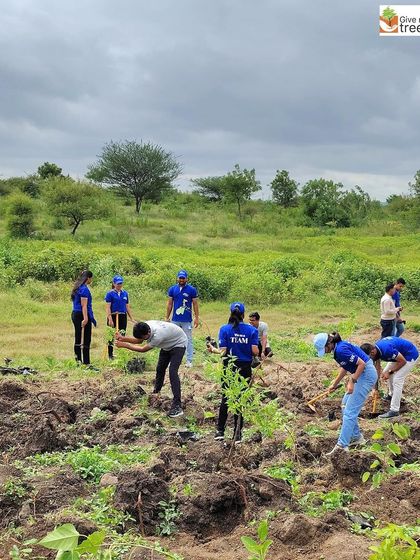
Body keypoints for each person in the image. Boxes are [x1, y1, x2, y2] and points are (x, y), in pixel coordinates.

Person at [313, 332, 377, 454]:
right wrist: (335, 383)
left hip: (366, 374)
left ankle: (342, 446)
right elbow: (346, 366)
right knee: (345, 405)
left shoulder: (341, 349)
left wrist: (352, 381)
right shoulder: (339, 349)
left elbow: (361, 364)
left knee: (350, 411)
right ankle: (356, 437)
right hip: (362, 373)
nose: (325, 351)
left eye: (324, 349)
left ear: (329, 343)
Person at [207, 302, 259, 444]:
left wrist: (212, 349)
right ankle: (237, 434)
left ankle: (220, 431)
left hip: (229, 367)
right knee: (241, 399)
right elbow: (255, 351)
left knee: (226, 398)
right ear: (243, 314)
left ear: (230, 313)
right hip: (245, 367)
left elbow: (223, 351)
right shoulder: (251, 330)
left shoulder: (224, 329)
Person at [115, 321, 187, 418]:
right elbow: (140, 340)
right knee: (160, 369)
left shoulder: (158, 335)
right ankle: (156, 393)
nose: (143, 339)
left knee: (172, 371)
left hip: (179, 343)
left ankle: (177, 405)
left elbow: (143, 349)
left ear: (149, 333)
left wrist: (125, 345)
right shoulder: (145, 326)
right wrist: (124, 338)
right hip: (167, 345)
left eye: (144, 337)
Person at [360, 337, 418, 419]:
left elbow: (403, 361)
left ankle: (394, 410)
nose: (369, 359)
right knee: (386, 372)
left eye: (369, 357)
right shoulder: (376, 351)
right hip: (399, 355)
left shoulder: (387, 350)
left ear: (372, 352)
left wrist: (390, 372)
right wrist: (375, 389)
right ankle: (391, 395)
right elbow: (377, 369)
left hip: (409, 355)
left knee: (397, 379)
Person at [165, 270, 199, 368]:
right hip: (175, 319)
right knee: (173, 339)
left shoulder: (191, 290)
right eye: (180, 278)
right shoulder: (172, 289)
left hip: (186, 320)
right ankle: (173, 360)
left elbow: (195, 304)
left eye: (183, 278)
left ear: (186, 279)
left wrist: (196, 318)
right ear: (177, 278)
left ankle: (189, 360)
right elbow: (170, 304)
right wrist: (167, 317)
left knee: (188, 339)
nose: (181, 280)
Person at [104, 275, 134, 359]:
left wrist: (131, 318)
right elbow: (108, 307)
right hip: (113, 315)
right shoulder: (110, 293)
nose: (119, 285)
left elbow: (127, 306)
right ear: (114, 283)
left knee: (122, 334)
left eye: (120, 283)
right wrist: (109, 318)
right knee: (111, 335)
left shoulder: (125, 293)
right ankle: (110, 355)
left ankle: (121, 354)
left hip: (122, 315)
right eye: (117, 284)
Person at [71, 270, 97, 367]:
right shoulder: (84, 289)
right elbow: (84, 306)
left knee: (78, 337)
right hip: (81, 314)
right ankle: (86, 363)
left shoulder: (77, 287)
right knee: (86, 339)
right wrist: (86, 318)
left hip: (75, 314)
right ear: (88, 278)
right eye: (91, 278)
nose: (91, 280)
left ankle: (78, 362)